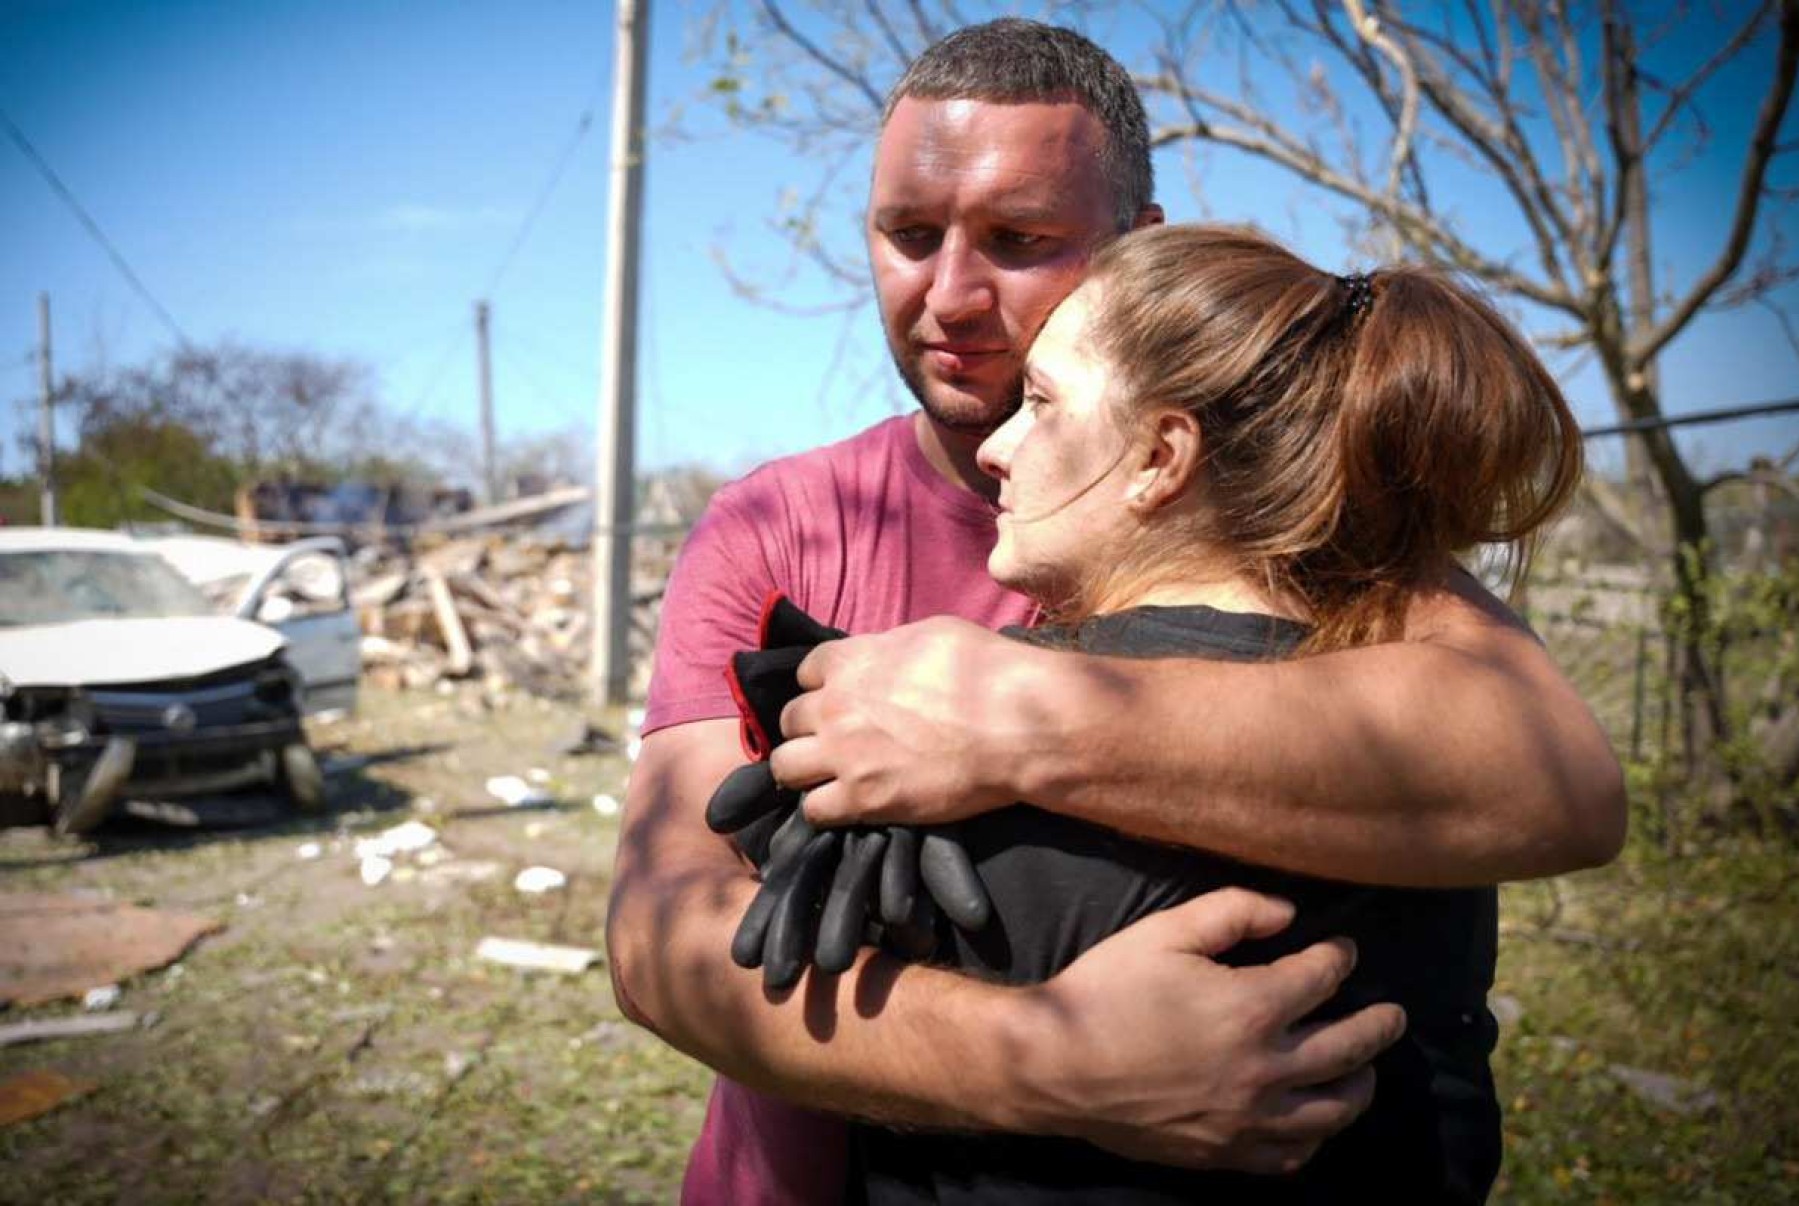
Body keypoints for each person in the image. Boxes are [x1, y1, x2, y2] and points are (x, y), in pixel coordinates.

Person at [605, 19, 1625, 1204]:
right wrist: (1051, 1064)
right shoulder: (777, 525)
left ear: (1137, 250)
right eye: (908, 236)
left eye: (1018, 239)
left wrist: (1024, 720)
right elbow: (658, 938)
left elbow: (1557, 784)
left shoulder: (1298, 527)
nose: (949, 296)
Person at [832, 221, 1580, 1202]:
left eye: (1042, 404)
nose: (999, 449)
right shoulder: (1429, 756)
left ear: (1160, 455)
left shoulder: (927, 735)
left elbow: (711, 968)